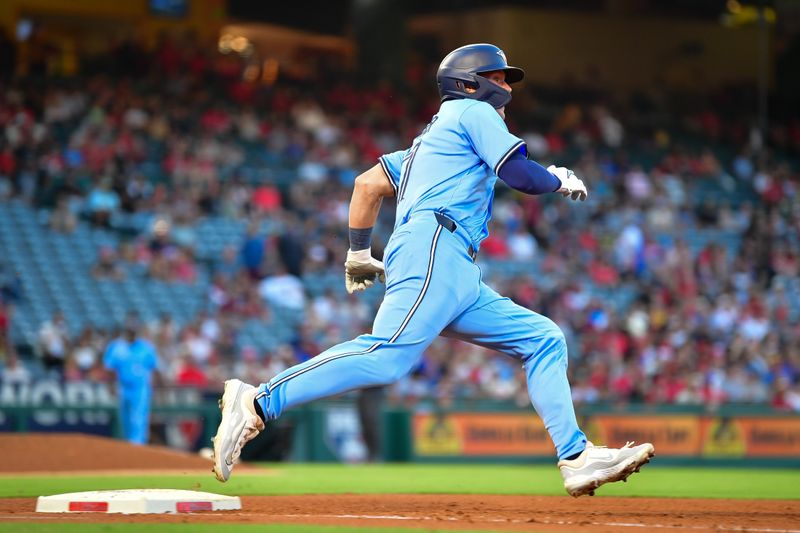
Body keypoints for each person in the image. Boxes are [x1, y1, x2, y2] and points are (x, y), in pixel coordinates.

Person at [211, 43, 654, 497]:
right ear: (469, 82)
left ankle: (575, 456)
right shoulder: (471, 112)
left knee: (542, 338)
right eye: (498, 77)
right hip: (437, 244)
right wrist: (557, 177)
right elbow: (520, 176)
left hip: (456, 266)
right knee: (386, 356)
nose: (505, 87)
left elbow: (367, 185)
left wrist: (359, 253)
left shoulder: (428, 144)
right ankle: (259, 400)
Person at [103, 318, 160, 445]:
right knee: (125, 419)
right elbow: (110, 369)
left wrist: (158, 389)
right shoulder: (117, 347)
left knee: (138, 418)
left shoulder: (146, 347)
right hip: (123, 387)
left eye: (134, 330)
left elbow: (155, 369)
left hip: (140, 388)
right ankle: (129, 446)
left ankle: (138, 445)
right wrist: (110, 386)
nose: (131, 333)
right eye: (129, 330)